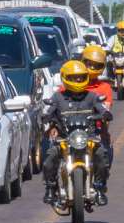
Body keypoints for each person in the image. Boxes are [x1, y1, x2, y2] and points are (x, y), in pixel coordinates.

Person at [41, 60, 112, 205]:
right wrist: (47, 116)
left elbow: (102, 109)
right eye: (74, 77)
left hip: (89, 137)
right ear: (65, 78)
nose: (78, 80)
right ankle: (50, 187)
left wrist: (105, 114)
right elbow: (49, 111)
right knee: (49, 159)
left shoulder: (92, 96)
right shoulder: (58, 97)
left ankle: (99, 187)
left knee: (101, 155)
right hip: (64, 138)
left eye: (80, 77)